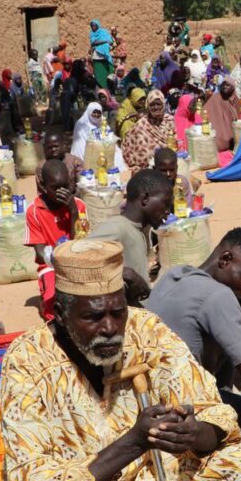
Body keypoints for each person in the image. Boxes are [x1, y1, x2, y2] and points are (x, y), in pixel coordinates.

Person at [0, 238, 241, 481]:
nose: (110, 327)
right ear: (61, 315)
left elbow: (212, 413)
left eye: (118, 312)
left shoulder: (147, 329)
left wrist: (193, 433)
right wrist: (134, 442)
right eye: (93, 317)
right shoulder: (27, 359)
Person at [147, 227, 241, 389]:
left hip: (152, 390)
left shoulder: (175, 274)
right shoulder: (219, 295)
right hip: (183, 398)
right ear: (225, 259)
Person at [24, 159, 88, 320]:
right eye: (55, 188)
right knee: (54, 310)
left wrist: (73, 212)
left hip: (78, 263)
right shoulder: (34, 211)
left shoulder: (79, 206)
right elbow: (40, 254)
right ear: (43, 187)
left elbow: (80, 243)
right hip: (50, 267)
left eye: (65, 186)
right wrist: (61, 260)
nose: (61, 192)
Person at [90, 169, 171, 292]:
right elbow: (76, 257)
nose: (168, 211)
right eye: (165, 203)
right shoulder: (117, 227)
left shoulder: (138, 230)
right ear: (145, 198)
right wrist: (124, 274)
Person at [121, 89, 173, 170]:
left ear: (163, 104)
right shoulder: (141, 124)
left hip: (169, 165)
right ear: (148, 106)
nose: (156, 107)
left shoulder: (170, 121)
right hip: (147, 169)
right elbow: (128, 145)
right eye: (152, 104)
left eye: (159, 104)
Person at [70, 102, 124, 170]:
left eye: (99, 113)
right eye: (94, 112)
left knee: (117, 156)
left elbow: (110, 138)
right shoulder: (81, 124)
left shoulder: (102, 123)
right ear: (89, 112)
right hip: (87, 153)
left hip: (102, 152)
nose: (96, 115)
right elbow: (82, 146)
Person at [203, 77, 240, 166]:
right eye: (223, 85)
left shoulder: (235, 99)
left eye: (228, 85)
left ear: (233, 87)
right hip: (219, 137)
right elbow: (204, 112)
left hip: (233, 136)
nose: (225, 87)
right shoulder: (215, 98)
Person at [89, 19, 114, 88]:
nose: (93, 27)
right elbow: (93, 42)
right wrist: (105, 41)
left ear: (97, 25)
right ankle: (101, 86)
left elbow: (110, 41)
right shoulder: (92, 34)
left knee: (107, 72)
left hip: (105, 56)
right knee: (98, 73)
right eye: (91, 26)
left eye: (94, 25)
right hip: (97, 56)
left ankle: (108, 86)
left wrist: (105, 42)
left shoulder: (103, 32)